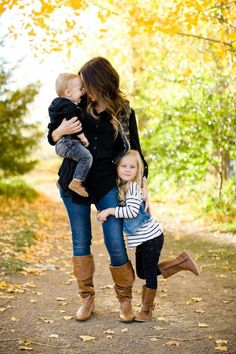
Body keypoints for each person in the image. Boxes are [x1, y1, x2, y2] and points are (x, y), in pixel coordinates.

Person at [47, 57, 198, 324]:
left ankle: (125, 300)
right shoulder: (75, 102)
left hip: (108, 182)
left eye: (87, 84)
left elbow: (136, 150)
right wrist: (60, 131)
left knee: (116, 242)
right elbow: (53, 137)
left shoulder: (124, 110)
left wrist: (143, 185)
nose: (84, 88)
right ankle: (87, 298)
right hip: (75, 182)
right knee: (80, 241)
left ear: (100, 83)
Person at [97, 150, 200, 322]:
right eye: (124, 166)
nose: (128, 169)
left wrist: (109, 210)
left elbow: (130, 211)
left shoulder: (134, 188)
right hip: (144, 240)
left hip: (151, 237)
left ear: (138, 170)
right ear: (117, 167)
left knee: (149, 274)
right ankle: (180, 262)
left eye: (132, 166)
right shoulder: (123, 185)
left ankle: (146, 309)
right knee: (142, 273)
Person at [48, 73, 93, 197]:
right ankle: (76, 182)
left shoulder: (59, 105)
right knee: (86, 158)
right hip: (67, 142)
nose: (83, 91)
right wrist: (83, 137)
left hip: (62, 144)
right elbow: (74, 123)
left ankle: (61, 181)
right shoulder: (68, 107)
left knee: (77, 158)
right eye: (80, 89)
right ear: (68, 93)